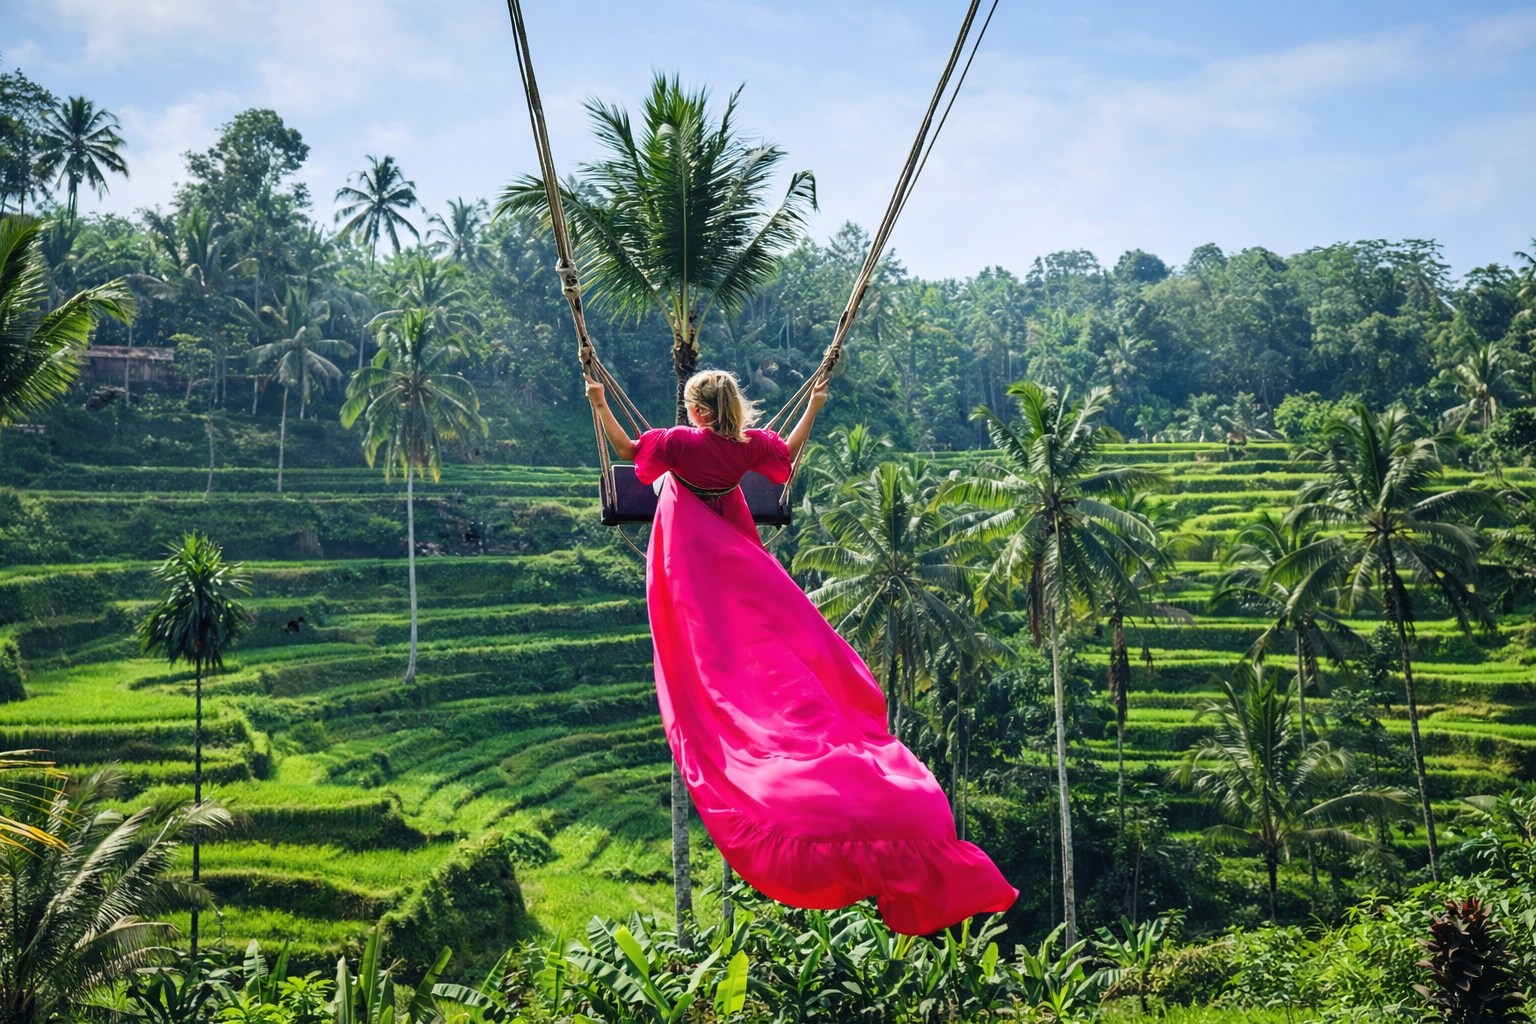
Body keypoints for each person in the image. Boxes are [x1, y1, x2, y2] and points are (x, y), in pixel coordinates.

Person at [587, 368, 1017, 935]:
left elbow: (623, 447)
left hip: (692, 545)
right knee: (764, 628)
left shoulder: (681, 443)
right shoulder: (746, 445)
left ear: (698, 411)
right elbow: (786, 450)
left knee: (705, 640)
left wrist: (598, 400)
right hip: (733, 536)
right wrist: (813, 403)